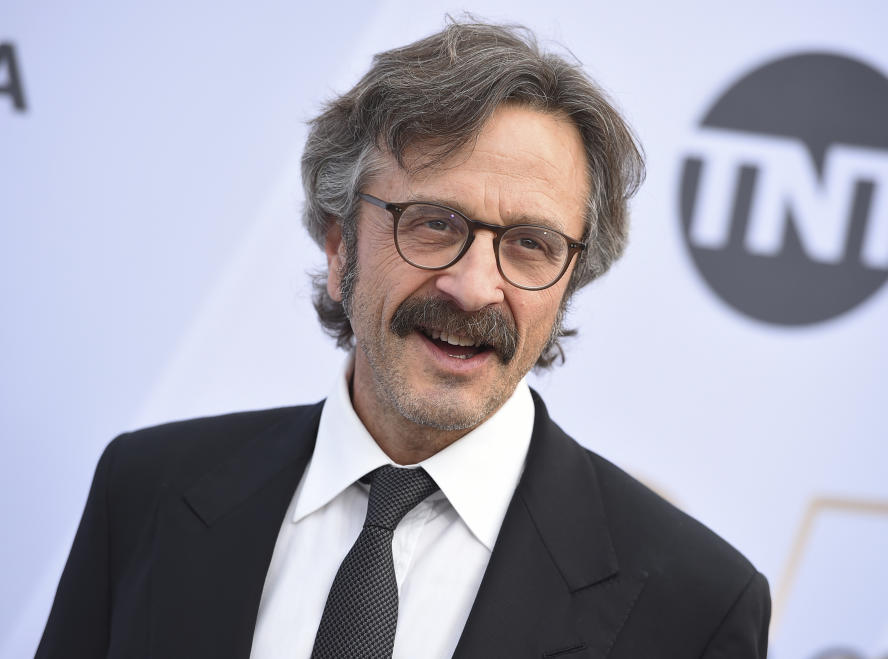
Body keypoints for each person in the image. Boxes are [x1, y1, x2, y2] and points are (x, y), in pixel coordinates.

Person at [37, 20, 770, 659]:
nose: (475, 286)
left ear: (570, 281)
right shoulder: (147, 490)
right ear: (338, 247)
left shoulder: (696, 604)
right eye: (434, 222)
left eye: (530, 245)